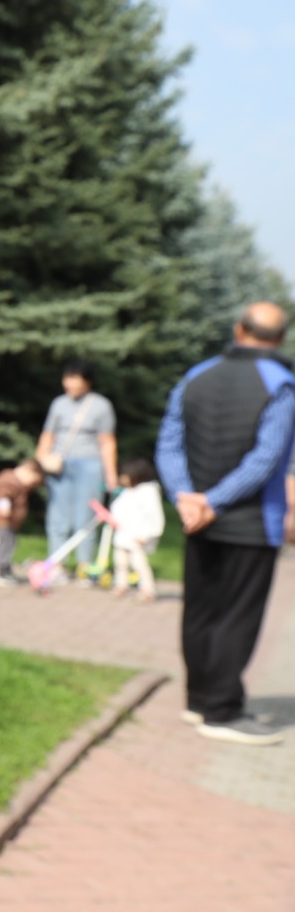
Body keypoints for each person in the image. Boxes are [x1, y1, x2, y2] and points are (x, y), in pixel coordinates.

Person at [156, 301, 294, 747]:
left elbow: (169, 443)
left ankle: (198, 701)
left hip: (198, 521)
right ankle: (222, 710)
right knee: (237, 617)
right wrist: (212, 501)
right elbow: (267, 459)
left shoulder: (197, 375)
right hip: (252, 523)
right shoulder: (282, 385)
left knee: (199, 612)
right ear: (280, 338)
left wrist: (187, 499)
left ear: (238, 330)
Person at [36, 360, 117, 580]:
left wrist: (111, 475)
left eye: (74, 378)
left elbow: (107, 442)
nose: (68, 383)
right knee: (57, 516)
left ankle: (85, 567)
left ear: (87, 381)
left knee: (86, 517)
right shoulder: (58, 404)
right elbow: (48, 436)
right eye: (66, 377)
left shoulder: (101, 406)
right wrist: (39, 463)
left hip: (90, 466)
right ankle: (57, 565)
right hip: (59, 465)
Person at [108, 457, 164, 602]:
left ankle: (148, 589)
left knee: (139, 563)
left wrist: (147, 534)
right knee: (120, 562)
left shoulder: (148, 493)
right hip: (123, 535)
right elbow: (119, 508)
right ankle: (121, 584)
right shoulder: (127, 492)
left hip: (137, 536)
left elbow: (155, 516)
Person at [0, 458, 45, 586]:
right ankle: (3, 573)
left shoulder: (19, 484)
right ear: (28, 472)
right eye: (33, 481)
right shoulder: (9, 482)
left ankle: (6, 570)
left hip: (10, 524)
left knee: (9, 545)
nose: (31, 485)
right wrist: (4, 507)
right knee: (4, 546)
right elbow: (3, 495)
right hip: (3, 522)